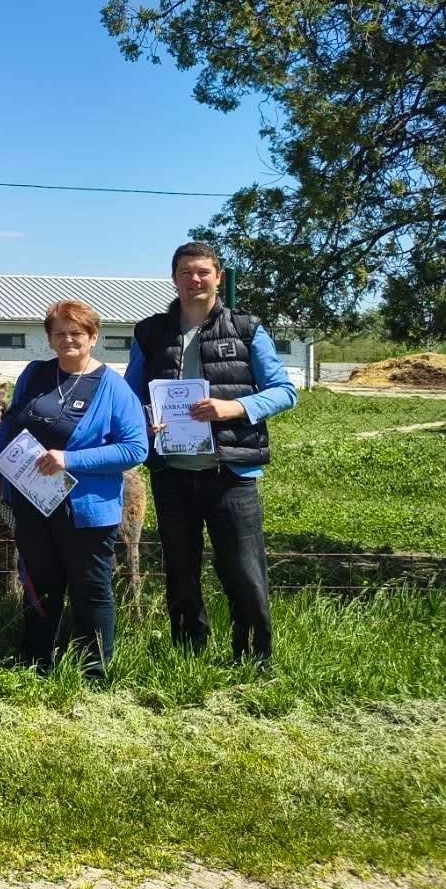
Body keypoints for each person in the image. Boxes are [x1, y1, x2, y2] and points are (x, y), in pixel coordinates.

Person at [126, 241, 297, 665]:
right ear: (174, 279)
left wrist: (234, 408)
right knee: (181, 572)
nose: (195, 280)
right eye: (185, 272)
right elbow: (130, 396)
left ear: (218, 277)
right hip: (171, 472)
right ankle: (189, 656)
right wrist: (146, 419)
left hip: (231, 473)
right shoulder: (149, 333)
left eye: (203, 271)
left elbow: (284, 391)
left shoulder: (246, 329)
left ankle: (254, 660)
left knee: (243, 571)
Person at [0, 300, 147, 680]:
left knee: (90, 589)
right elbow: (11, 424)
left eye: (76, 332)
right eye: (59, 333)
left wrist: (71, 460)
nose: (68, 339)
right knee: (40, 585)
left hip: (86, 508)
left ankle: (93, 672)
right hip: (32, 501)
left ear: (93, 336)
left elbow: (135, 449)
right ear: (49, 338)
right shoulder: (35, 374)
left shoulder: (113, 387)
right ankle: (37, 663)